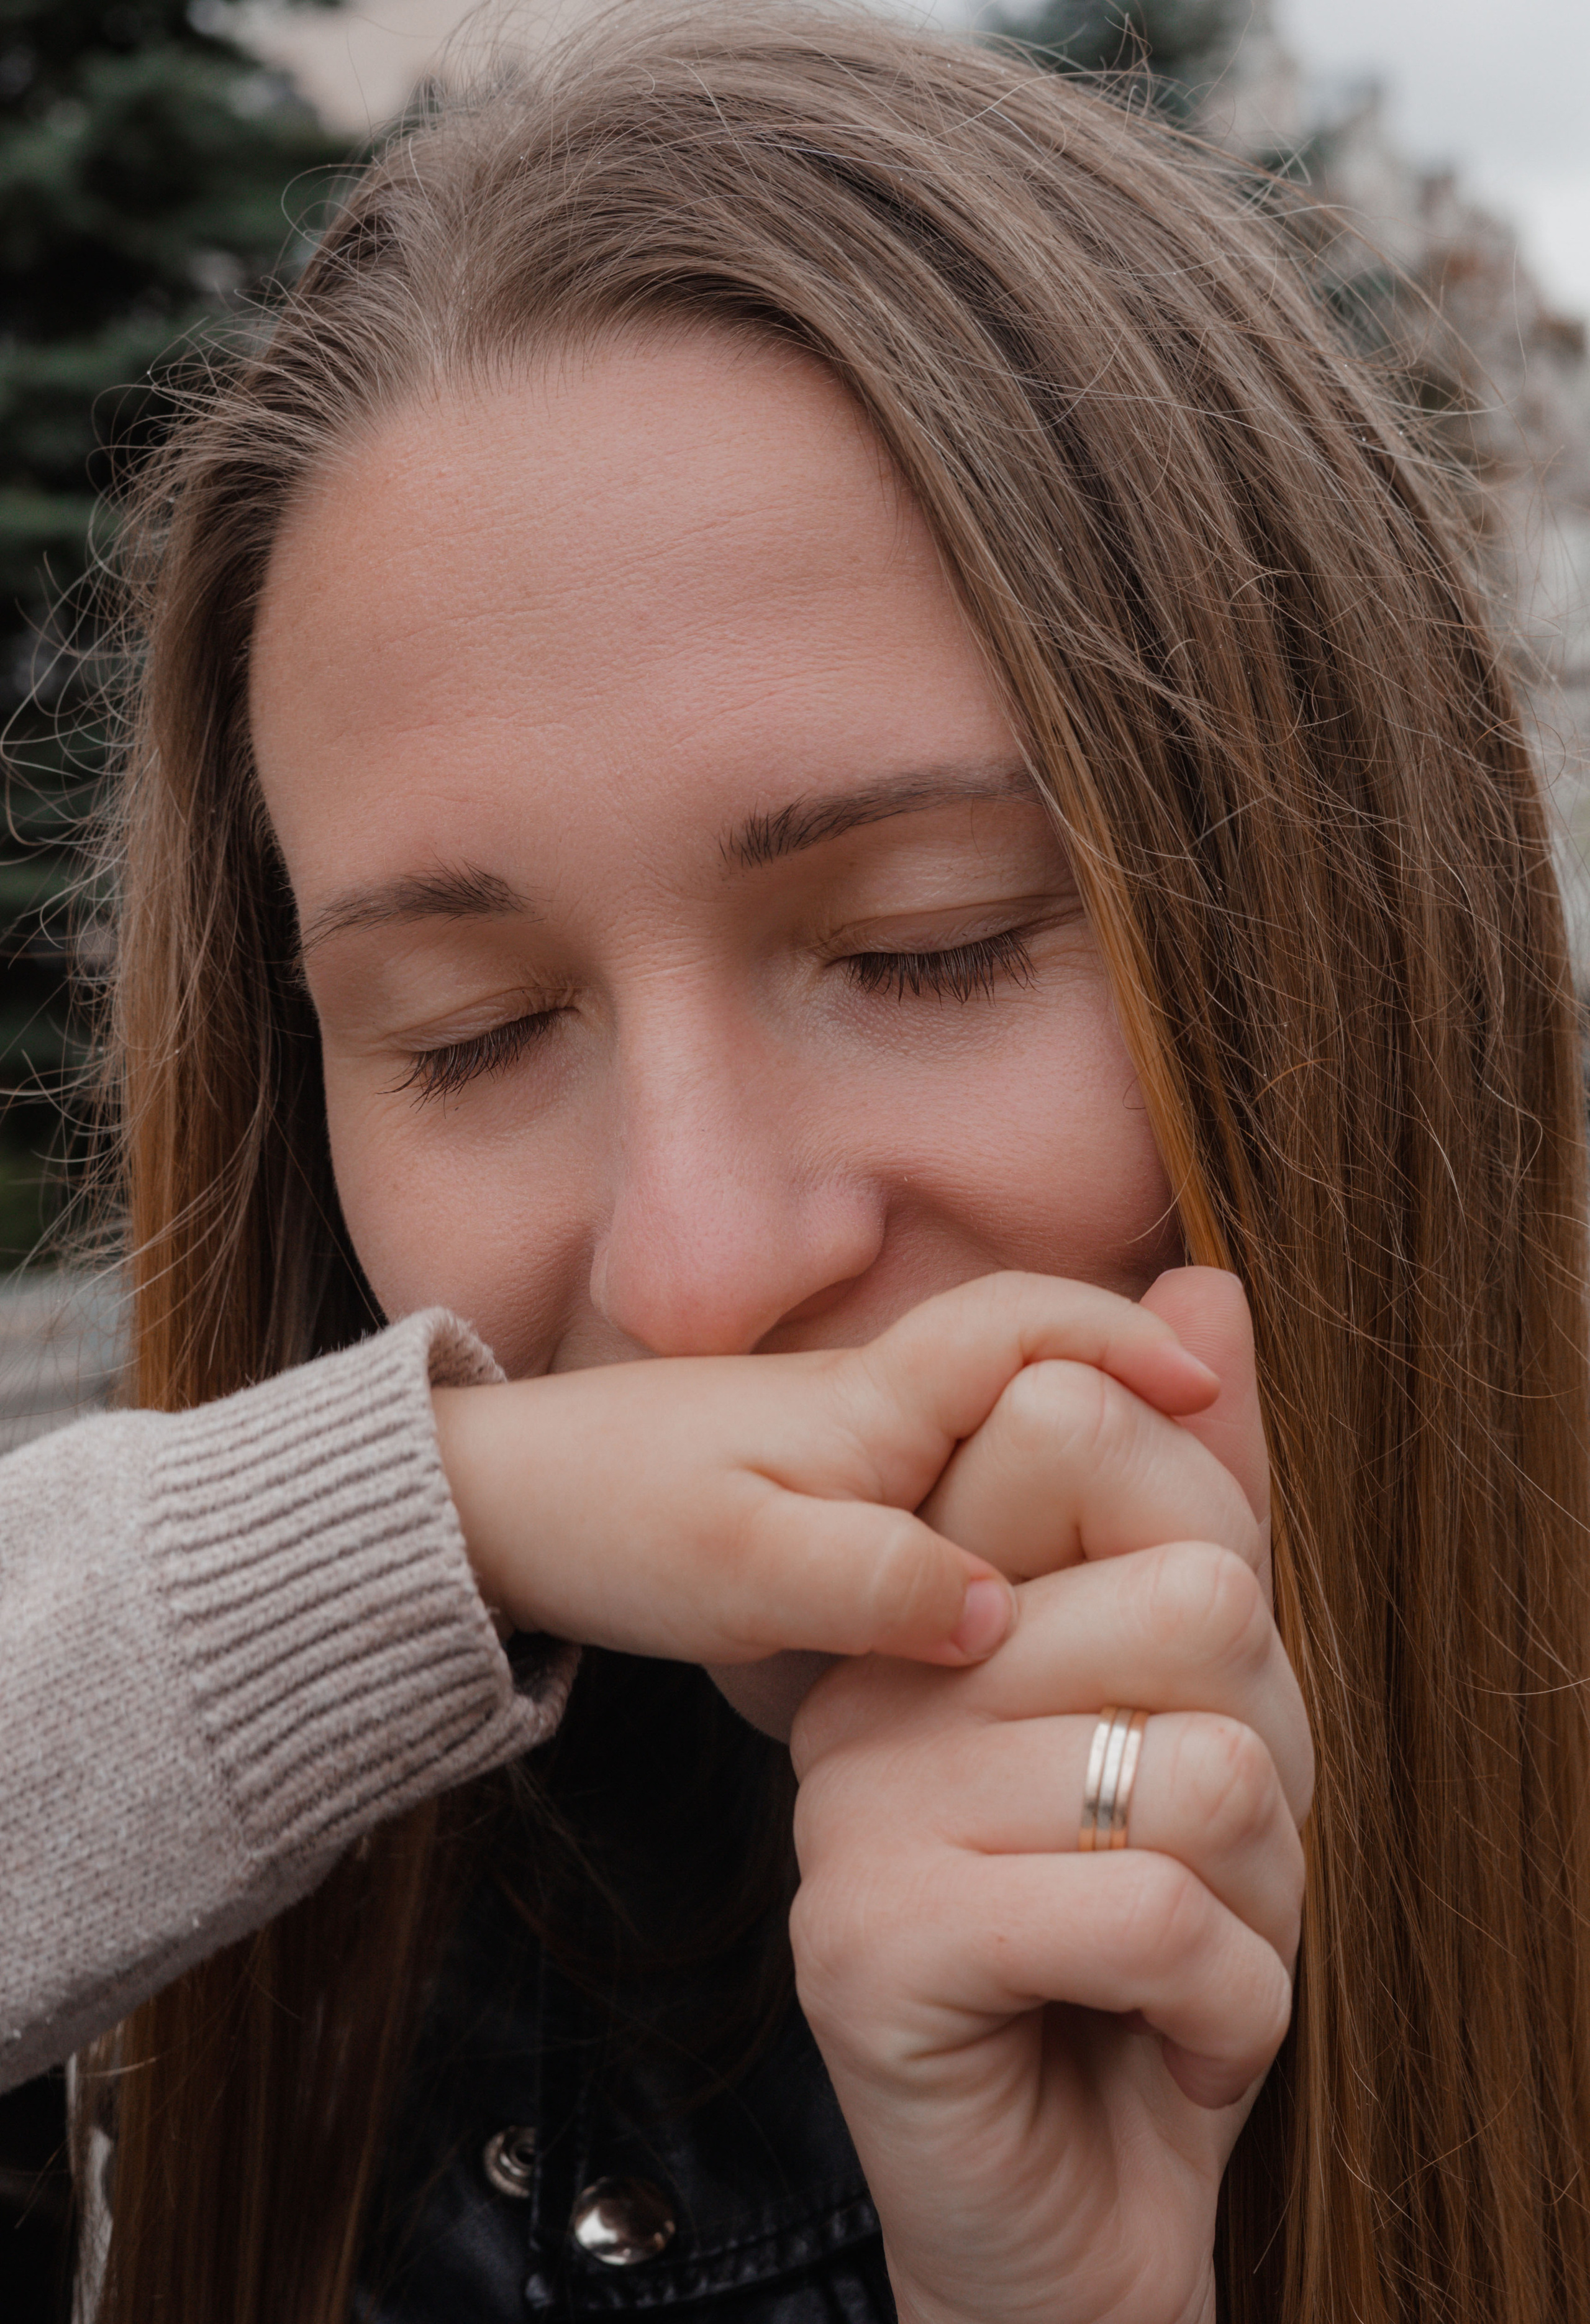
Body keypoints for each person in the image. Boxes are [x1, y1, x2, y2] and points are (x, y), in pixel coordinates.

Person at [1, 2, 1585, 2318]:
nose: (703, 1266)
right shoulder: (296, 1959)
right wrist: (437, 1518)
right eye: (476, 1035)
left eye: (928, 948)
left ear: (1347, 937)